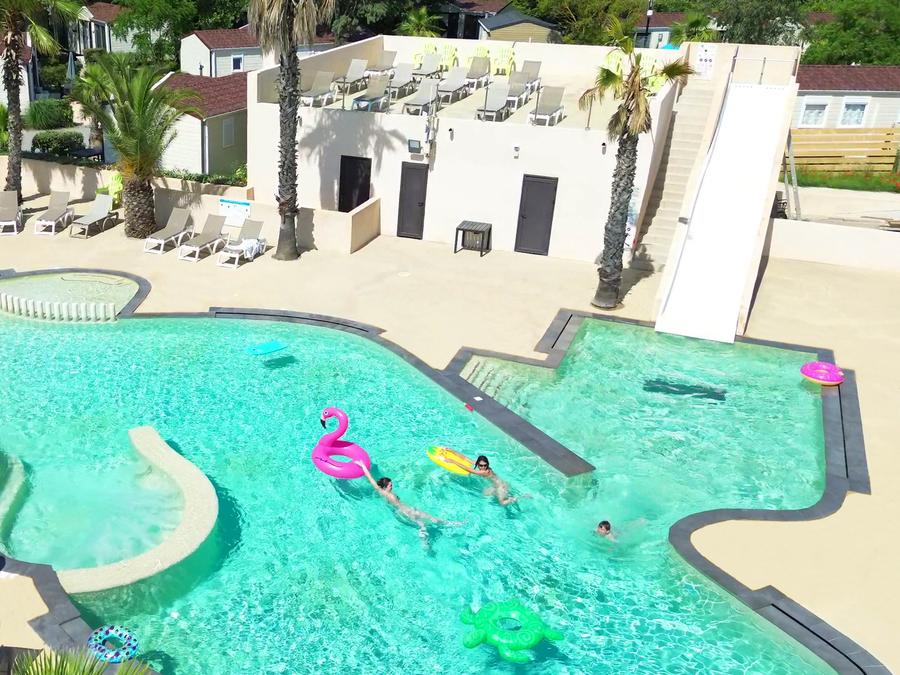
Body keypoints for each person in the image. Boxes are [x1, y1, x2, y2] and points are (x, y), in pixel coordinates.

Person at [354, 460, 460, 542]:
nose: (392, 486)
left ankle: (449, 524)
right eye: (390, 485)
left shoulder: (380, 491)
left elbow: (371, 479)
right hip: (406, 511)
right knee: (424, 523)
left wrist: (363, 467)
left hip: (406, 509)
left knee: (429, 520)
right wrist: (363, 467)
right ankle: (425, 540)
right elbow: (371, 480)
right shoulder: (388, 494)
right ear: (385, 487)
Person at [451, 455, 528, 507]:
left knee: (502, 503)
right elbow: (466, 458)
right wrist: (452, 451)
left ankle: (518, 497)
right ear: (478, 464)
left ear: (487, 464)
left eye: (485, 465)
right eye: (481, 465)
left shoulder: (484, 471)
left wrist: (453, 461)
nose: (483, 467)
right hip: (497, 485)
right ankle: (499, 494)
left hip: (501, 487)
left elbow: (468, 469)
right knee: (485, 493)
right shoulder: (482, 467)